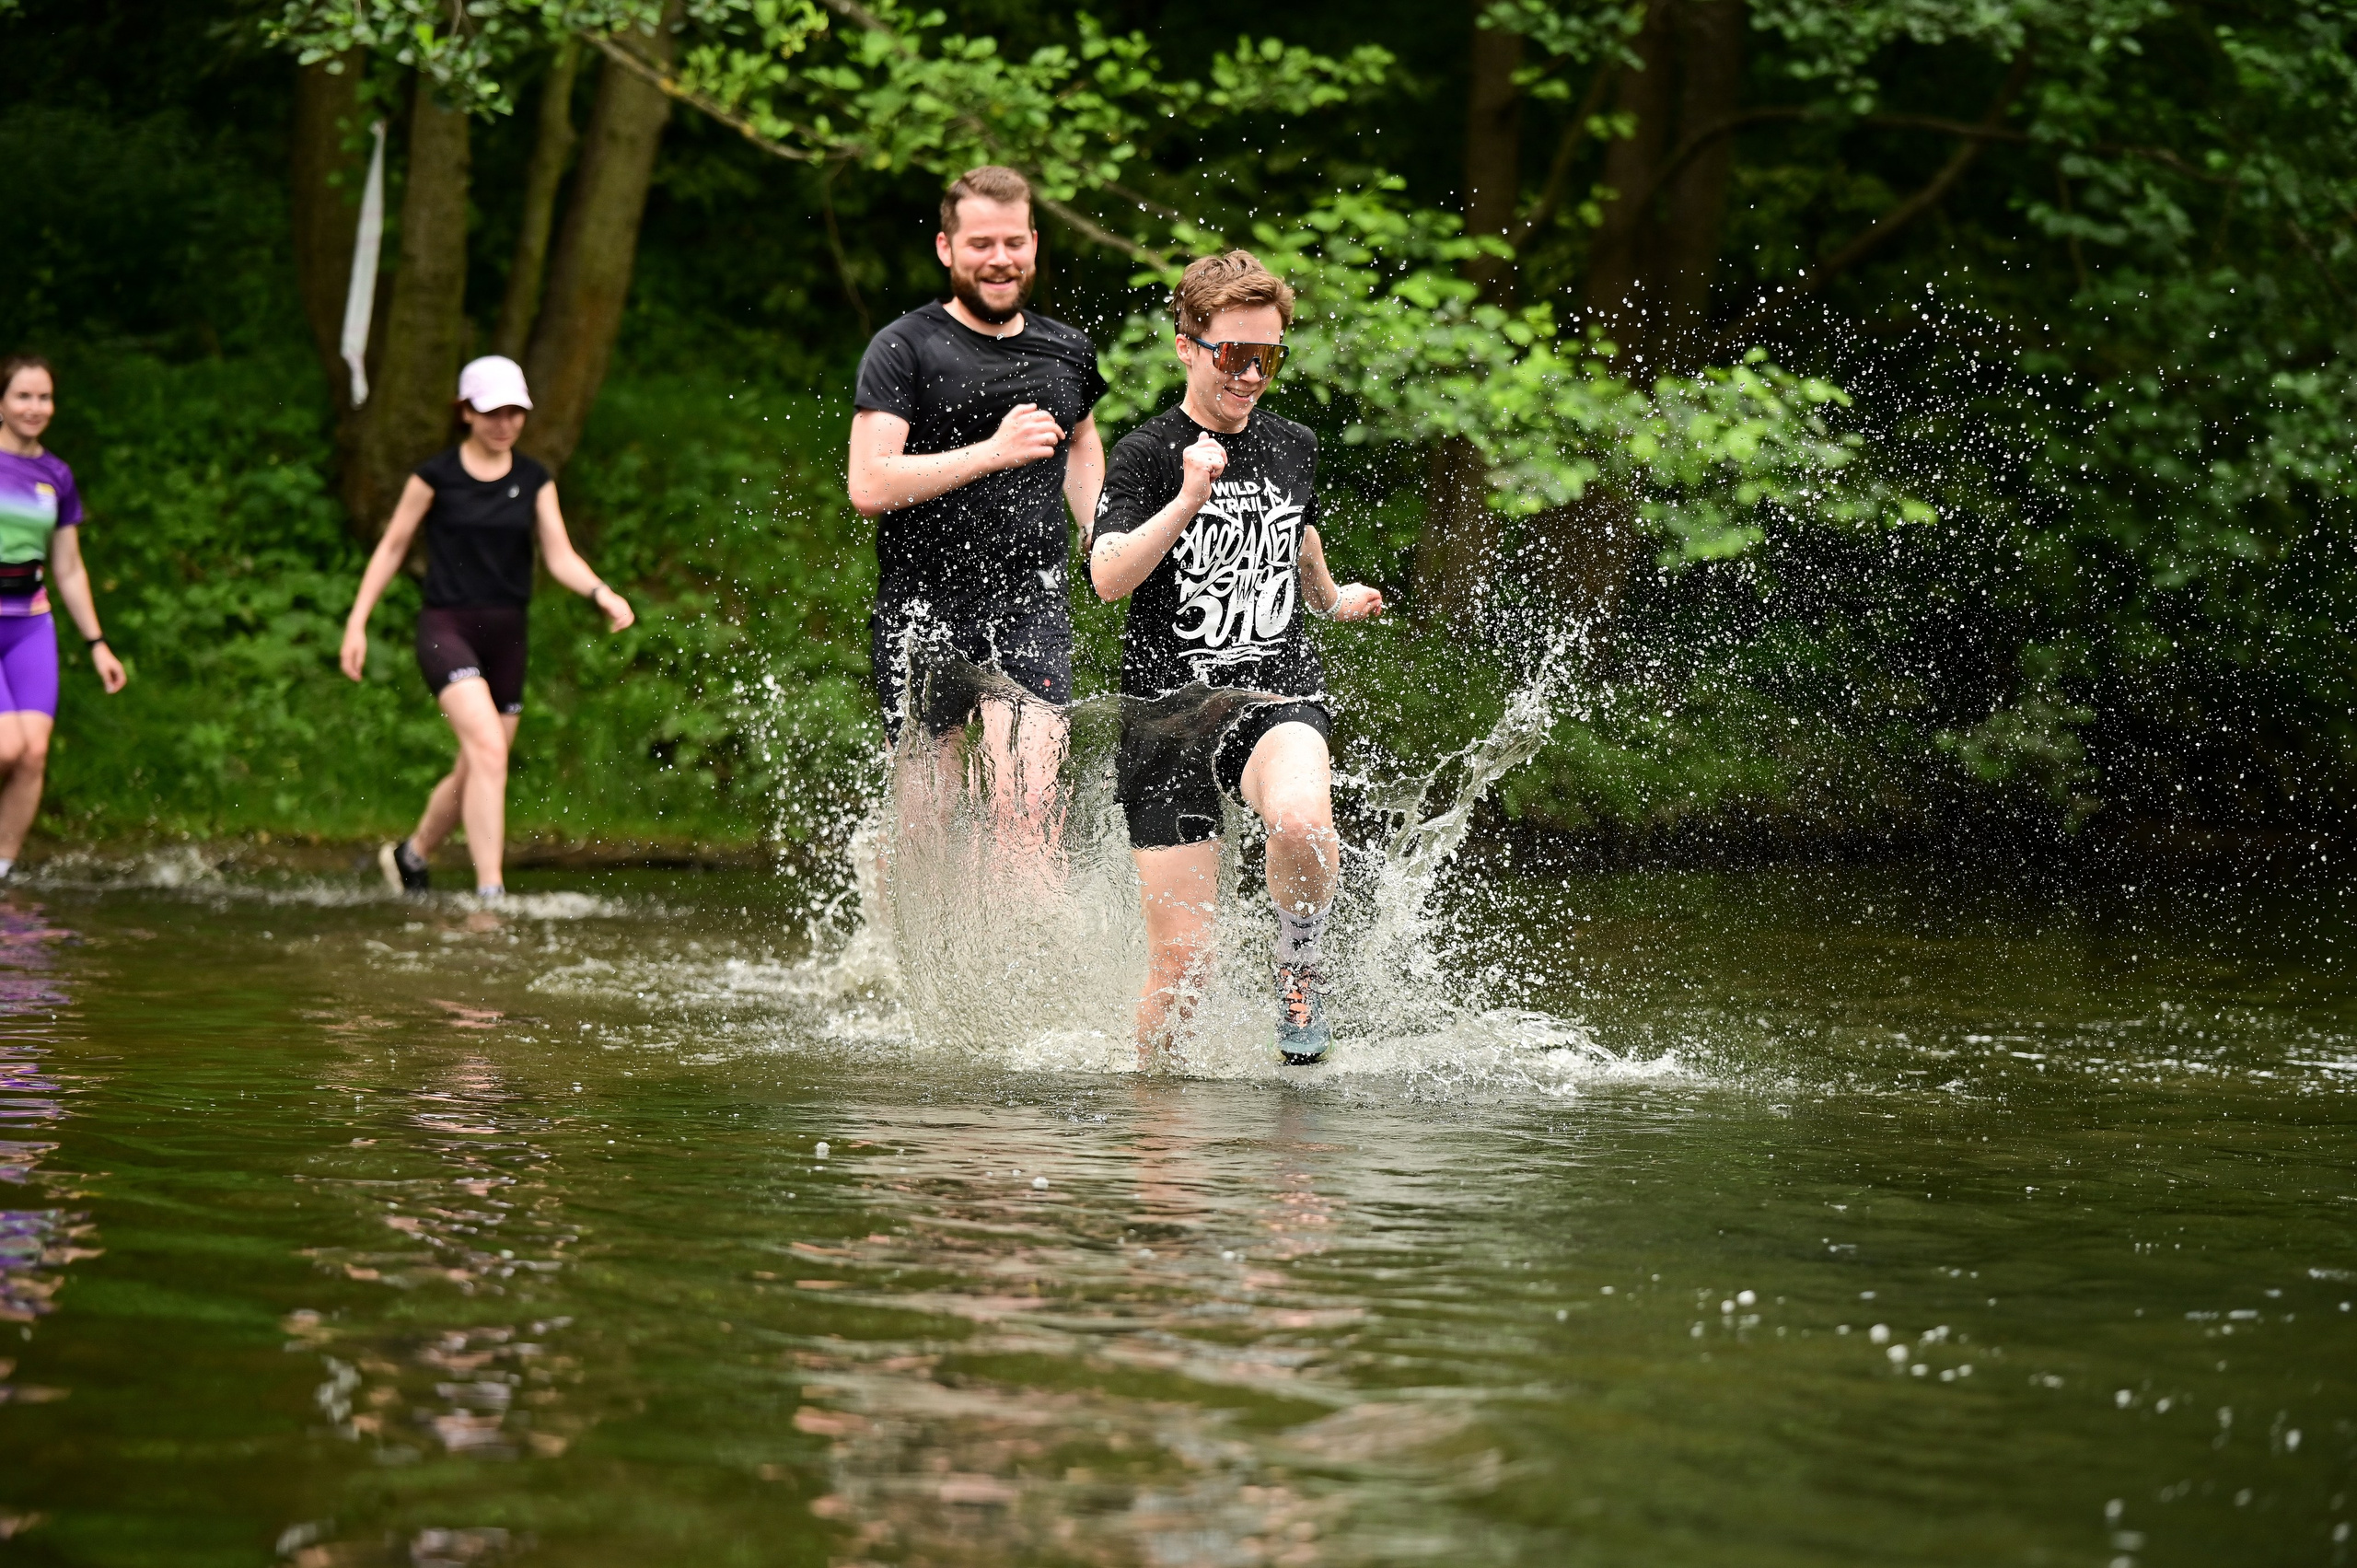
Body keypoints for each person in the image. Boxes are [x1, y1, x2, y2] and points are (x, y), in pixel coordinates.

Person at [1089, 251, 1384, 1065]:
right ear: (1187, 346)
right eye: (1234, 356)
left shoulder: (1293, 443)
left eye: (1270, 357)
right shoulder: (1149, 453)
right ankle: (1159, 1135)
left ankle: (1298, 970)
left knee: (1299, 820)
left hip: (1272, 695)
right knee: (1184, 967)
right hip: (1167, 720)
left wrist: (1328, 596)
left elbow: (1298, 529)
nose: (1252, 375)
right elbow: (1107, 576)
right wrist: (1187, 498)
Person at [845, 165, 1107, 833]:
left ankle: (1025, 941)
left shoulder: (1068, 351)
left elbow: (1079, 442)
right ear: (946, 248)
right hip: (920, 606)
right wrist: (992, 451)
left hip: (1031, 600)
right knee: (923, 822)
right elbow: (870, 483)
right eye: (982, 243)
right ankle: (906, 940)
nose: (999, 259)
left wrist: (1098, 527)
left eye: (1013, 243)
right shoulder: (904, 347)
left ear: (1034, 245)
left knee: (1029, 802)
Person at [339, 355, 633, 900]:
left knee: (478, 765)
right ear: (466, 413)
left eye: (514, 412)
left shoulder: (533, 479)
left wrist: (601, 592)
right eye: (492, 412)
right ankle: (490, 897)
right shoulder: (435, 478)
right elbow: (392, 548)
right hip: (445, 627)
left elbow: (560, 555)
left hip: (507, 637)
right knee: (489, 753)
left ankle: (413, 854)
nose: (505, 424)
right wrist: (357, 623)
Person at [0, 356, 130, 878]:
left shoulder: (57, 475)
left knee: (33, 755)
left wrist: (97, 642)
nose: (35, 408)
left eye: (44, 398)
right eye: (23, 397)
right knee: (6, 747)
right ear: (1, 401)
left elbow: (69, 567)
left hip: (30, 624)